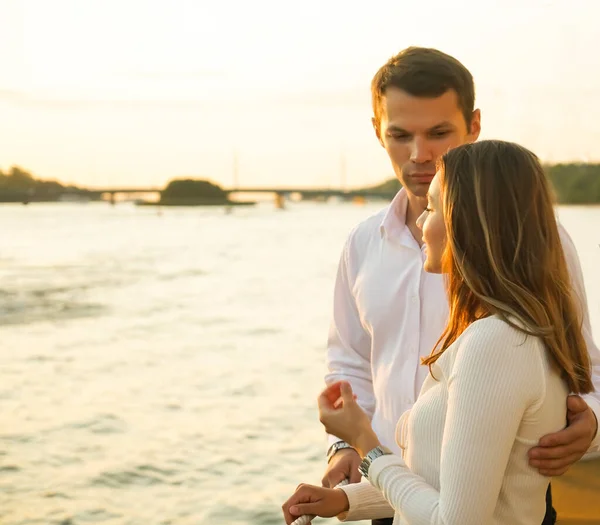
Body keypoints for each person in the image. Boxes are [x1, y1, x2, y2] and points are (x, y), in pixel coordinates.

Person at [301, 47, 599, 525]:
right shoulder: (361, 244)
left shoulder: (536, 250)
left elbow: (580, 366)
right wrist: (348, 456)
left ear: (474, 126)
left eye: (439, 133)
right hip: (395, 492)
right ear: (378, 131)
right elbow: (349, 362)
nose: (421, 155)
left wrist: (592, 423)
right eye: (401, 135)